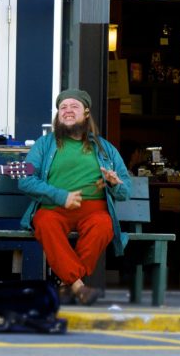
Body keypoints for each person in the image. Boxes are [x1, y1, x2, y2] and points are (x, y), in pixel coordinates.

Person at [18, 89, 130, 306]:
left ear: (86, 113)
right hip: (54, 208)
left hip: (94, 209)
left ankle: (66, 282)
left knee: (104, 225)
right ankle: (79, 286)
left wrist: (115, 184)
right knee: (44, 222)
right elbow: (25, 180)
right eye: (63, 107)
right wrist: (62, 196)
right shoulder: (44, 145)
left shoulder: (105, 148)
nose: (67, 111)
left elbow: (126, 191)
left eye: (74, 106)